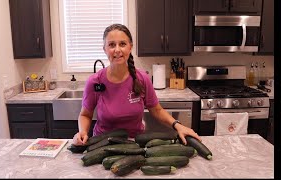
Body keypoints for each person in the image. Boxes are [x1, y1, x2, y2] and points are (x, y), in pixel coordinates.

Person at [72, 24, 201, 146]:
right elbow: (85, 114)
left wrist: (178, 125)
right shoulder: (94, 81)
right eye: (111, 45)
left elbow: (157, 110)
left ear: (130, 47)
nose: (117, 50)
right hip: (102, 145)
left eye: (122, 44)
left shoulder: (142, 79)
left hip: (135, 145)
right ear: (105, 49)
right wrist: (82, 131)